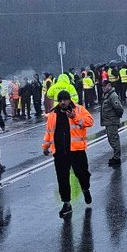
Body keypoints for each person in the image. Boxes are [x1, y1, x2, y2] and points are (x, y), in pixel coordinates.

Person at [42, 90, 94, 218]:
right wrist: (46, 146)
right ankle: (66, 203)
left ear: (69, 100)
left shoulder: (79, 109)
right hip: (60, 152)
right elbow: (49, 132)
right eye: (60, 100)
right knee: (62, 179)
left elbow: (90, 122)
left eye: (65, 100)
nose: (63, 102)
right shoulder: (53, 114)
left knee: (82, 174)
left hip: (77, 151)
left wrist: (74, 117)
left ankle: (85, 189)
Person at [100, 78, 124, 166]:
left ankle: (117, 157)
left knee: (114, 139)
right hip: (108, 121)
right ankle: (116, 156)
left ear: (109, 85)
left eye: (105, 86)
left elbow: (119, 108)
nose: (103, 88)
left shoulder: (112, 95)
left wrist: (115, 117)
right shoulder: (106, 95)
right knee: (111, 139)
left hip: (112, 121)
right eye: (102, 86)